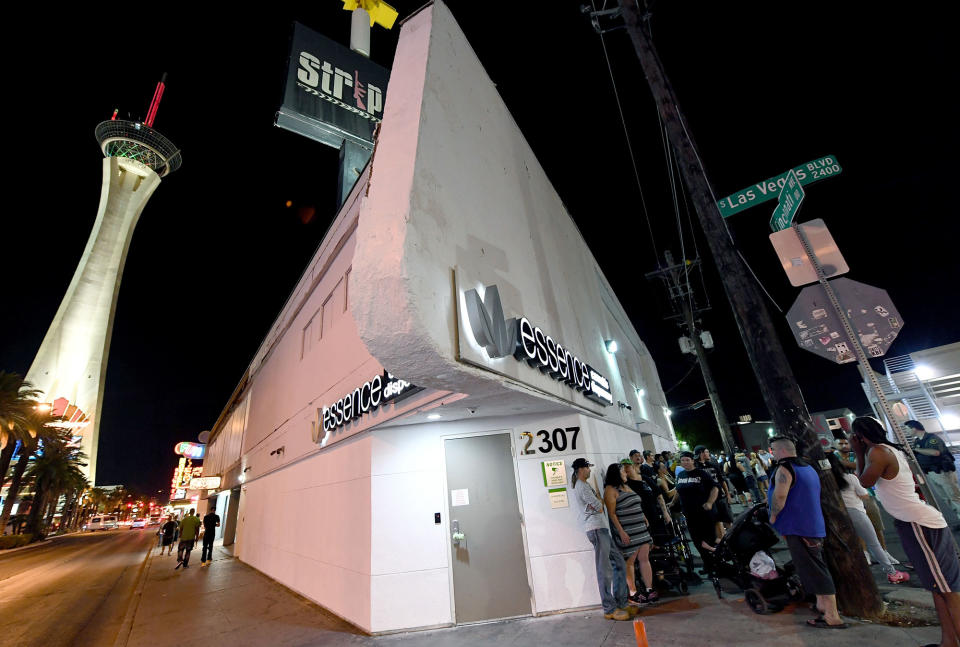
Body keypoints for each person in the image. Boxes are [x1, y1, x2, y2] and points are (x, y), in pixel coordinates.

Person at [852, 416, 960, 647]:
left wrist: (859, 453)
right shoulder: (889, 449)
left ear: (860, 437)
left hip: (919, 524)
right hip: (913, 522)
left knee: (946, 588)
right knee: (937, 588)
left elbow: (864, 482)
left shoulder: (878, 452)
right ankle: (948, 642)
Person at [767, 436, 845, 629]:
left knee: (816, 571)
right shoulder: (807, 468)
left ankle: (832, 616)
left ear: (781, 451)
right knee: (813, 568)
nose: (772, 453)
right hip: (811, 525)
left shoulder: (785, 469)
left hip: (799, 527)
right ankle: (821, 605)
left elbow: (780, 496)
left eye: (772, 450)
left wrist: (773, 517)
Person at [825, 452, 909, 583]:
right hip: (856, 512)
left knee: (847, 547)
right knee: (874, 544)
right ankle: (892, 573)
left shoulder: (825, 482)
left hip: (837, 516)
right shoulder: (850, 478)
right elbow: (864, 495)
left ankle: (852, 577)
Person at [570, 458, 635, 621]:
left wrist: (598, 499)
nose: (590, 470)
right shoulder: (582, 486)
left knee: (619, 562)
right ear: (580, 469)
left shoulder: (585, 485)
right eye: (587, 468)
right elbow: (600, 506)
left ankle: (621, 602)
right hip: (596, 529)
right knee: (604, 569)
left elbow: (599, 504)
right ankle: (609, 608)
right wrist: (599, 498)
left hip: (602, 528)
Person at [605, 463, 657, 604]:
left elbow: (636, 503)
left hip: (640, 528)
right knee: (630, 561)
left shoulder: (627, 486)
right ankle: (633, 592)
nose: (626, 474)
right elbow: (612, 514)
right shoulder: (611, 490)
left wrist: (644, 517)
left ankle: (649, 589)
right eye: (623, 472)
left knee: (644, 558)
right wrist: (621, 532)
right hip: (628, 531)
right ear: (616, 474)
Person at [905, 420, 960, 523]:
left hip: (942, 472)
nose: (906, 432)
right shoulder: (917, 441)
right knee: (946, 498)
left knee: (954, 496)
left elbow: (935, 452)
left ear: (914, 428)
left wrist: (917, 450)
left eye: (907, 429)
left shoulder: (931, 439)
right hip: (931, 473)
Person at [674, 451, 720, 570]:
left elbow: (715, 488)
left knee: (708, 539)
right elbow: (678, 490)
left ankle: (716, 563)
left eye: (687, 460)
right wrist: (672, 502)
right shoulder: (681, 475)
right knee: (696, 540)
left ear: (693, 460)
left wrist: (710, 502)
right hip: (689, 514)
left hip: (704, 513)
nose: (685, 462)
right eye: (682, 460)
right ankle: (708, 565)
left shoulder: (701, 474)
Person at [694, 446, 734, 537]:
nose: (708, 454)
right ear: (701, 453)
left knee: (727, 519)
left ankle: (733, 538)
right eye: (707, 452)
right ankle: (722, 541)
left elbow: (721, 480)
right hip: (707, 498)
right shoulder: (696, 467)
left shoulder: (713, 465)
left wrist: (727, 494)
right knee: (716, 521)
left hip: (720, 496)